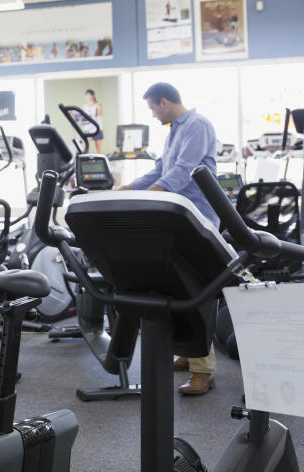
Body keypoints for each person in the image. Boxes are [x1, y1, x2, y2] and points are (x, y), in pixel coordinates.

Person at [116, 81, 219, 396]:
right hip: (178, 215)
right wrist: (129, 189)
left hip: (197, 218)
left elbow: (184, 171)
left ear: (164, 102)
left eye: (152, 107)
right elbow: (161, 169)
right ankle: (189, 351)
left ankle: (204, 370)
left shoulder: (197, 126)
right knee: (176, 284)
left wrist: (149, 197)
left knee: (195, 289)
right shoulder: (174, 130)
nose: (152, 114)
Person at [82, 89, 104, 153]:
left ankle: (100, 159)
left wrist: (97, 107)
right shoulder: (84, 106)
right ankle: (88, 159)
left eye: (89, 95)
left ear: (93, 96)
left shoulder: (98, 105)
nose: (88, 97)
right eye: (86, 96)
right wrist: (72, 113)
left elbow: (100, 114)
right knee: (87, 146)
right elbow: (81, 117)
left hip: (97, 128)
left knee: (98, 146)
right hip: (88, 129)